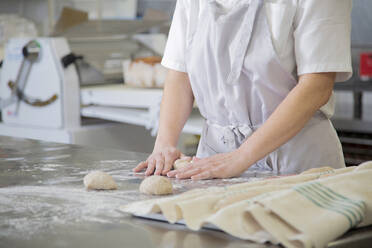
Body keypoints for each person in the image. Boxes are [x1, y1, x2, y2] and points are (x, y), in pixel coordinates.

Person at [134, 0, 353, 180]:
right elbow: (180, 72)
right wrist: (164, 144)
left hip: (294, 163)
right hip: (212, 159)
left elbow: (317, 85)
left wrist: (241, 157)